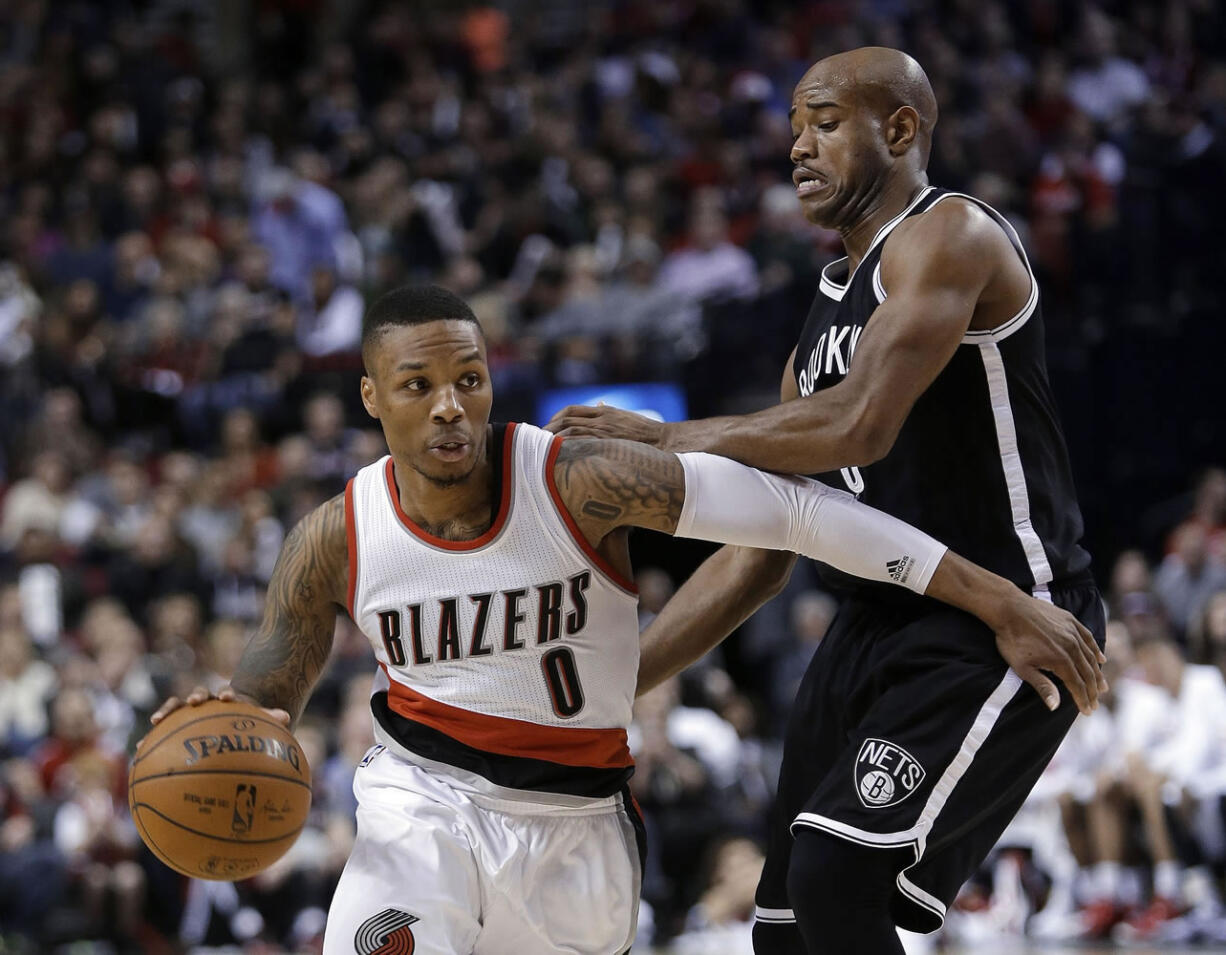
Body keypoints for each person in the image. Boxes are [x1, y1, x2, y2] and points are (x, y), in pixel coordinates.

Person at [148, 285, 1101, 955]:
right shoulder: (333, 537)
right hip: (419, 807)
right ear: (370, 397)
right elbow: (265, 700)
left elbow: (797, 512)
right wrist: (226, 719)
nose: (450, 407)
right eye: (416, 386)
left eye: (469, 379)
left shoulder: (577, 478)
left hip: (578, 828)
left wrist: (996, 598)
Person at [548, 47, 1107, 954]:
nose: (799, 147)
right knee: (785, 927)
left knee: (839, 874)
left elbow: (860, 426)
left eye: (824, 121)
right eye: (795, 128)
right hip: (875, 621)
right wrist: (617, 686)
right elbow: (763, 548)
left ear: (898, 128)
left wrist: (664, 435)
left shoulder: (950, 234)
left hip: (1004, 610)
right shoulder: (823, 313)